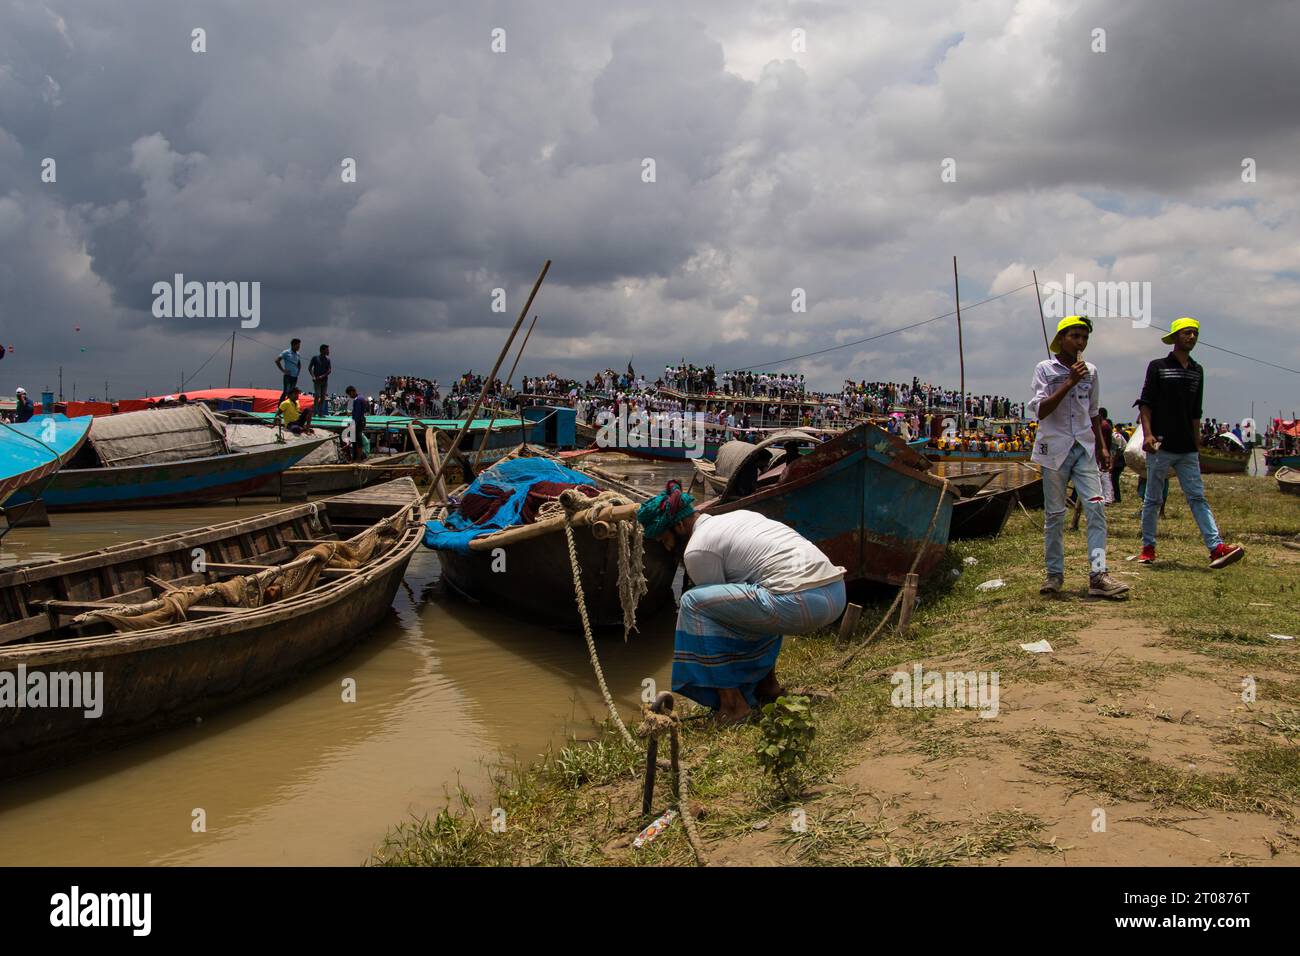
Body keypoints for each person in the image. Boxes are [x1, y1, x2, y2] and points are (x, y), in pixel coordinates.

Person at [636, 480, 847, 724]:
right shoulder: (737, 517)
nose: (666, 546)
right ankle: (767, 688)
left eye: (664, 539)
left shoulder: (697, 549)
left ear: (680, 525)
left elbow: (719, 621)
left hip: (801, 603)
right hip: (835, 592)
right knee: (758, 592)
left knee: (693, 603)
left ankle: (733, 705)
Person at [1028, 316, 1128, 599]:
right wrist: (1070, 381)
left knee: (1096, 508)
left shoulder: (1092, 372)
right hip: (1053, 449)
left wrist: (1102, 447)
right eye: (1075, 336)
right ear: (1061, 339)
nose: (1081, 342)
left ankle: (1098, 575)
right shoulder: (1045, 369)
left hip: (1083, 447)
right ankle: (1054, 575)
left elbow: (1093, 412)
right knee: (1055, 515)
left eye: (1085, 337)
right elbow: (1041, 410)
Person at [1135, 317, 1244, 568]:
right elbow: (1146, 404)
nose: (1191, 337)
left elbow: (1196, 411)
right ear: (1174, 337)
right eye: (1186, 333)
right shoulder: (1158, 366)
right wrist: (1148, 435)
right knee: (1153, 499)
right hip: (1161, 445)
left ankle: (1216, 548)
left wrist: (1197, 442)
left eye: (1195, 333)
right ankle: (1148, 548)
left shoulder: (1197, 370)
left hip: (1186, 447)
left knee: (1197, 497)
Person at [345, 384, 367, 461]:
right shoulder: (361, 398)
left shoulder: (357, 400)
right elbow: (359, 412)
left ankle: (358, 458)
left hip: (358, 422)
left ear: (352, 392)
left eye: (349, 394)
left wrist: (353, 424)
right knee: (356, 439)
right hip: (361, 421)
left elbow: (357, 414)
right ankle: (358, 456)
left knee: (357, 440)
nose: (350, 396)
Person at [309, 344, 331, 412]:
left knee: (323, 397)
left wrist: (323, 376)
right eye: (327, 350)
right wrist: (313, 376)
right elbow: (310, 368)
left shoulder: (328, 359)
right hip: (317, 380)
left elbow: (329, 370)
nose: (328, 351)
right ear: (322, 350)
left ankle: (320, 411)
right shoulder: (315, 358)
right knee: (317, 395)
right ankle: (315, 410)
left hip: (324, 381)